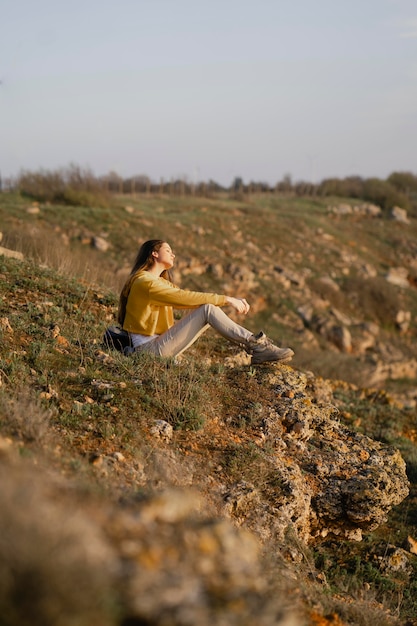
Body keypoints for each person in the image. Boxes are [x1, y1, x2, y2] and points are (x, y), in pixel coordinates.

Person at [118, 239, 294, 365]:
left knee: (206, 309)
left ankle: (256, 347)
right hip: (149, 352)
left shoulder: (158, 282)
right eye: (168, 250)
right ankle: (257, 347)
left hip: (157, 347)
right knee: (207, 310)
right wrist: (226, 299)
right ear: (154, 254)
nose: (173, 254)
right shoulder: (145, 282)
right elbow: (183, 298)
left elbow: (181, 298)